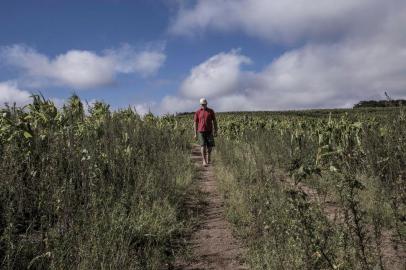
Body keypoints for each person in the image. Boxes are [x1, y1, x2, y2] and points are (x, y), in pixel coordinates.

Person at [194, 98, 218, 167]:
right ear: (200, 105)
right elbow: (195, 123)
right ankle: (204, 160)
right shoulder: (197, 112)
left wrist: (216, 131)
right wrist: (195, 133)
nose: (203, 105)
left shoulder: (211, 111)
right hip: (201, 131)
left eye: (204, 104)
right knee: (202, 146)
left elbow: (214, 121)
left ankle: (209, 157)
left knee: (210, 147)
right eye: (202, 104)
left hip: (209, 131)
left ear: (206, 104)